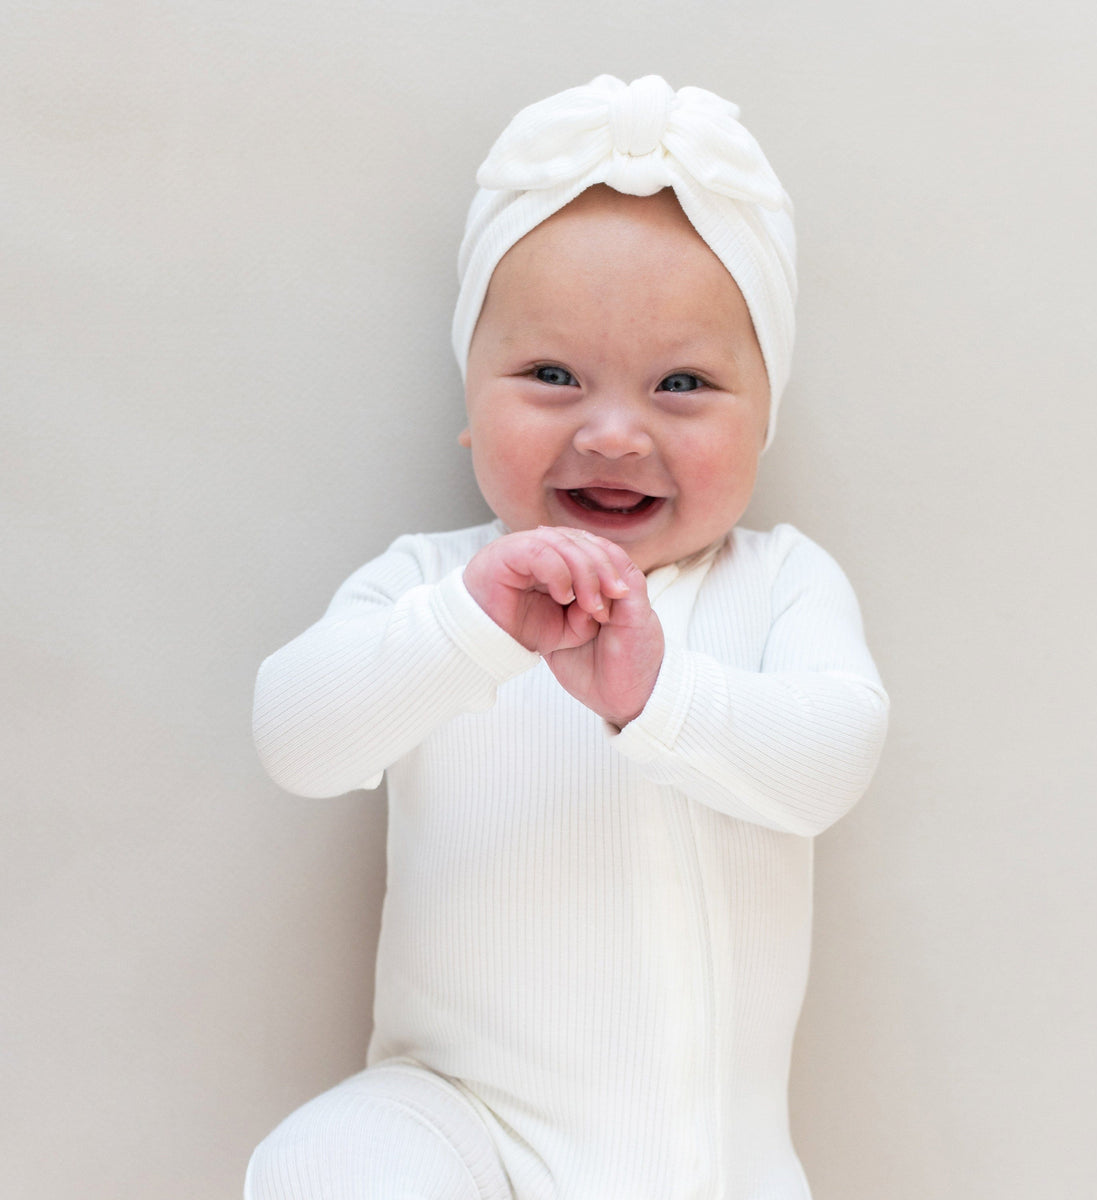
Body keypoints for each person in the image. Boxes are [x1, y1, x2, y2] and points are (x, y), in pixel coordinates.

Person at [246, 74, 889, 1200]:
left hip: (707, 1163)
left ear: (763, 416)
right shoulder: (433, 583)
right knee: (329, 1164)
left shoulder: (780, 580)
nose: (611, 432)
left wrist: (662, 696)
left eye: (683, 384)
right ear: (469, 395)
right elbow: (296, 737)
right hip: (458, 1121)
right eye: (550, 376)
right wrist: (464, 631)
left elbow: (834, 757)